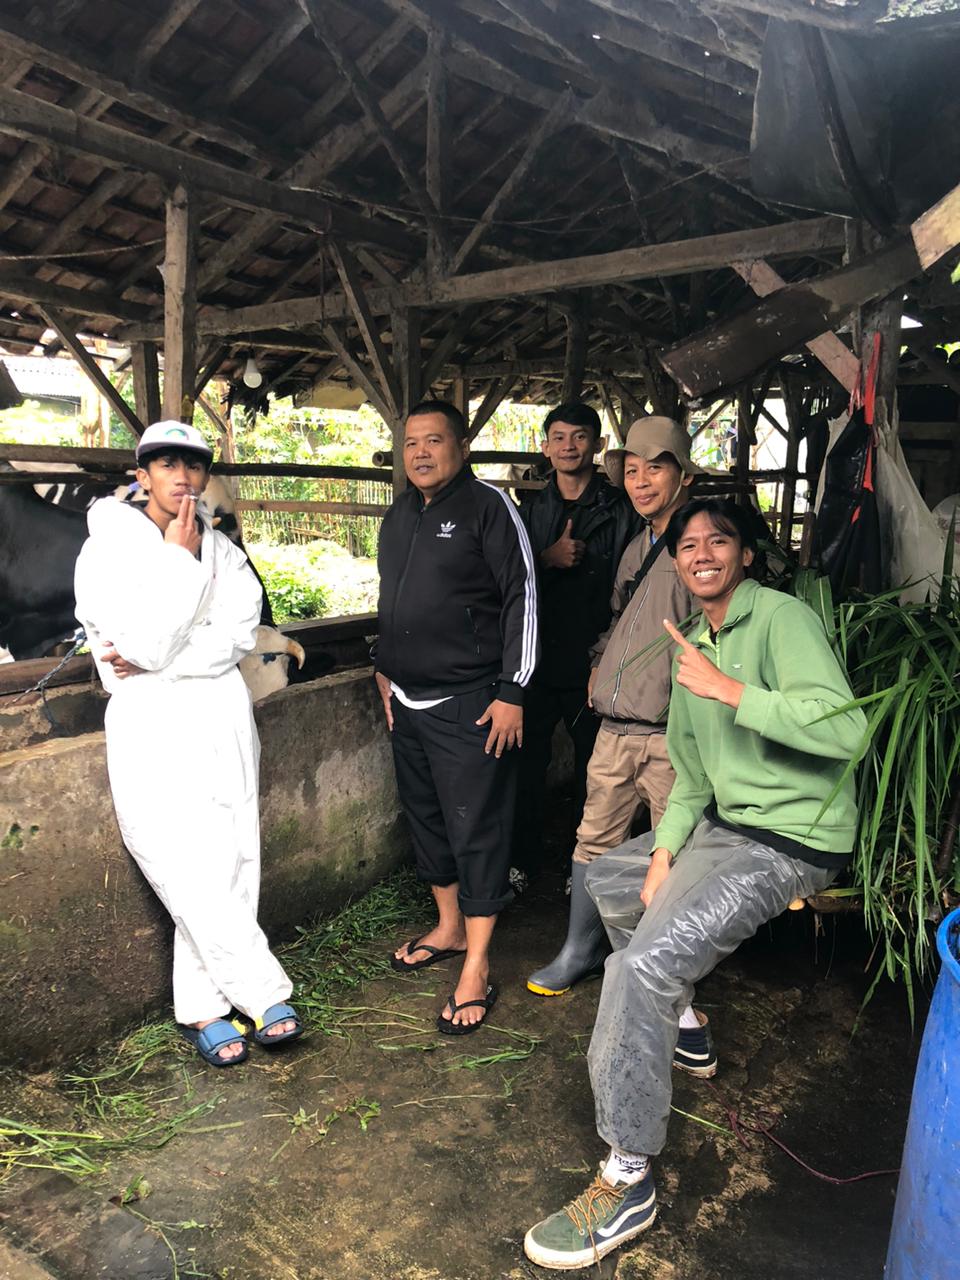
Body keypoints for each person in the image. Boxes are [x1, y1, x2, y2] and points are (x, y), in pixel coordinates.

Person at [523, 497, 868, 1269]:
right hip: (726, 824)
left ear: (744, 554)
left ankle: (628, 1176)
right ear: (676, 562)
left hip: (792, 837)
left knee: (638, 968)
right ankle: (685, 1024)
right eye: (687, 545)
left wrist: (732, 691)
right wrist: (663, 854)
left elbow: (847, 728)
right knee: (614, 879)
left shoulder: (778, 619)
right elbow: (692, 778)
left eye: (719, 540)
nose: (702, 552)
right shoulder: (693, 644)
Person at [73, 421, 300, 1068]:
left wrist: (165, 652)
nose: (183, 477)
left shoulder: (224, 551)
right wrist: (175, 563)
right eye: (167, 464)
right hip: (150, 719)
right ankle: (263, 991)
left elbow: (237, 633)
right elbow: (133, 646)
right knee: (177, 856)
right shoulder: (106, 549)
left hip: (222, 712)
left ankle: (202, 1009)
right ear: (141, 475)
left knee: (234, 852)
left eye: (194, 466)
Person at [375, 400, 538, 1034]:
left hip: (472, 700)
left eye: (434, 440)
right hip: (408, 699)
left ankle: (477, 963)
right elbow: (391, 597)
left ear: (462, 447)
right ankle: (448, 928)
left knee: (477, 828)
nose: (420, 453)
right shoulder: (400, 514)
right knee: (428, 818)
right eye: (411, 443)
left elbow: (523, 596)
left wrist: (513, 689)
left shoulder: (489, 507)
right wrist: (383, 665)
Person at [526, 416, 701, 997]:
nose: (641, 481)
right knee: (593, 837)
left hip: (671, 731)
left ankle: (663, 965)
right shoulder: (636, 546)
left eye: (656, 468)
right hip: (616, 724)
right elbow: (619, 620)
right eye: (632, 470)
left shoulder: (700, 543)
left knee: (673, 846)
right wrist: (600, 663)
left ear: (684, 474)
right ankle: (579, 950)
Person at [510, 402, 641, 891]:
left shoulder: (622, 512)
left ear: (598, 445)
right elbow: (507, 583)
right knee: (525, 766)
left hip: (594, 662)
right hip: (537, 662)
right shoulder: (528, 512)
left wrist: (609, 657)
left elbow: (633, 589)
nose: (569, 446)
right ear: (545, 448)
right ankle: (521, 861)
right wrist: (547, 558)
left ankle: (581, 866)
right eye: (559, 438)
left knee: (595, 771)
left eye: (580, 436)